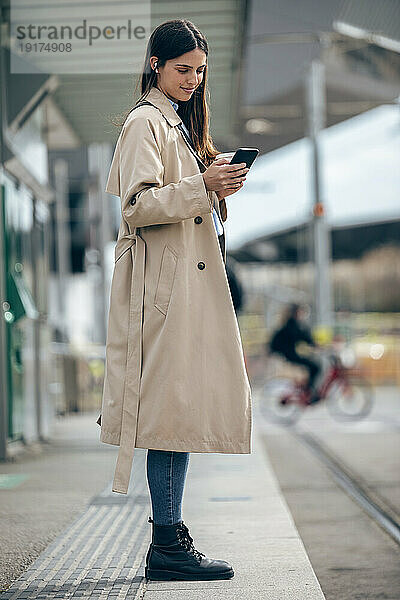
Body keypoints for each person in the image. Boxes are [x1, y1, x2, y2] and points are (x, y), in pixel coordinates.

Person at [97, 19, 252, 582]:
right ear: (157, 66)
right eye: (183, 69)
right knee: (167, 416)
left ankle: (171, 536)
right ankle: (166, 543)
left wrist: (217, 185)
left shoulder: (178, 125)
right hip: (160, 294)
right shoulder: (146, 122)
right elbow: (136, 206)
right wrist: (202, 187)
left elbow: (175, 200)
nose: (192, 79)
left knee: (178, 413)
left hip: (177, 289)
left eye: (199, 71)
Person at [268, 303, 321, 404]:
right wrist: (314, 344)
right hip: (290, 355)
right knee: (315, 367)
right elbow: (303, 336)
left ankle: (307, 389)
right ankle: (309, 392)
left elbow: (303, 336)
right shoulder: (292, 324)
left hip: (289, 354)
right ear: (296, 313)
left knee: (311, 364)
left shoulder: (291, 324)